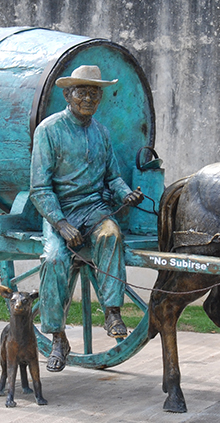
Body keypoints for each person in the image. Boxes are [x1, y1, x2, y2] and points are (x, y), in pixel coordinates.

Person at [30, 65, 144, 372]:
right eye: (82, 92)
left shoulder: (101, 133)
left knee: (111, 234)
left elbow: (113, 177)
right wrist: (61, 224)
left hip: (94, 208)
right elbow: (39, 188)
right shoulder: (49, 131)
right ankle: (56, 337)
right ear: (68, 95)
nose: (89, 98)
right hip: (60, 210)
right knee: (54, 258)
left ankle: (112, 310)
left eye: (95, 92)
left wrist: (125, 195)